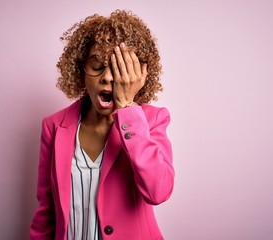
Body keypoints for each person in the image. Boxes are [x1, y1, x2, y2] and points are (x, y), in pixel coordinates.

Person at [30, 10, 175, 240]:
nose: (107, 77)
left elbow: (159, 191)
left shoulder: (151, 120)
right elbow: (46, 213)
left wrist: (127, 106)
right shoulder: (54, 126)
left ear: (136, 75)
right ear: (80, 70)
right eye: (97, 66)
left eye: (119, 69)